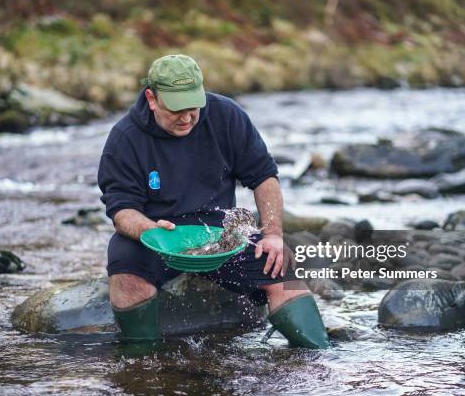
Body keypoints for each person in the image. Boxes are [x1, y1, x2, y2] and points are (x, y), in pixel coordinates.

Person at [97, 54, 329, 349]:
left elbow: (264, 177)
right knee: (124, 269)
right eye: (176, 110)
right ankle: (140, 360)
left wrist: (272, 234)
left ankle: (320, 357)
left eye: (193, 107)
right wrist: (148, 230)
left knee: (280, 270)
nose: (186, 117)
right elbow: (121, 209)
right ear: (151, 99)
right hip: (156, 235)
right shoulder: (124, 139)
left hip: (219, 232)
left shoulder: (226, 116)